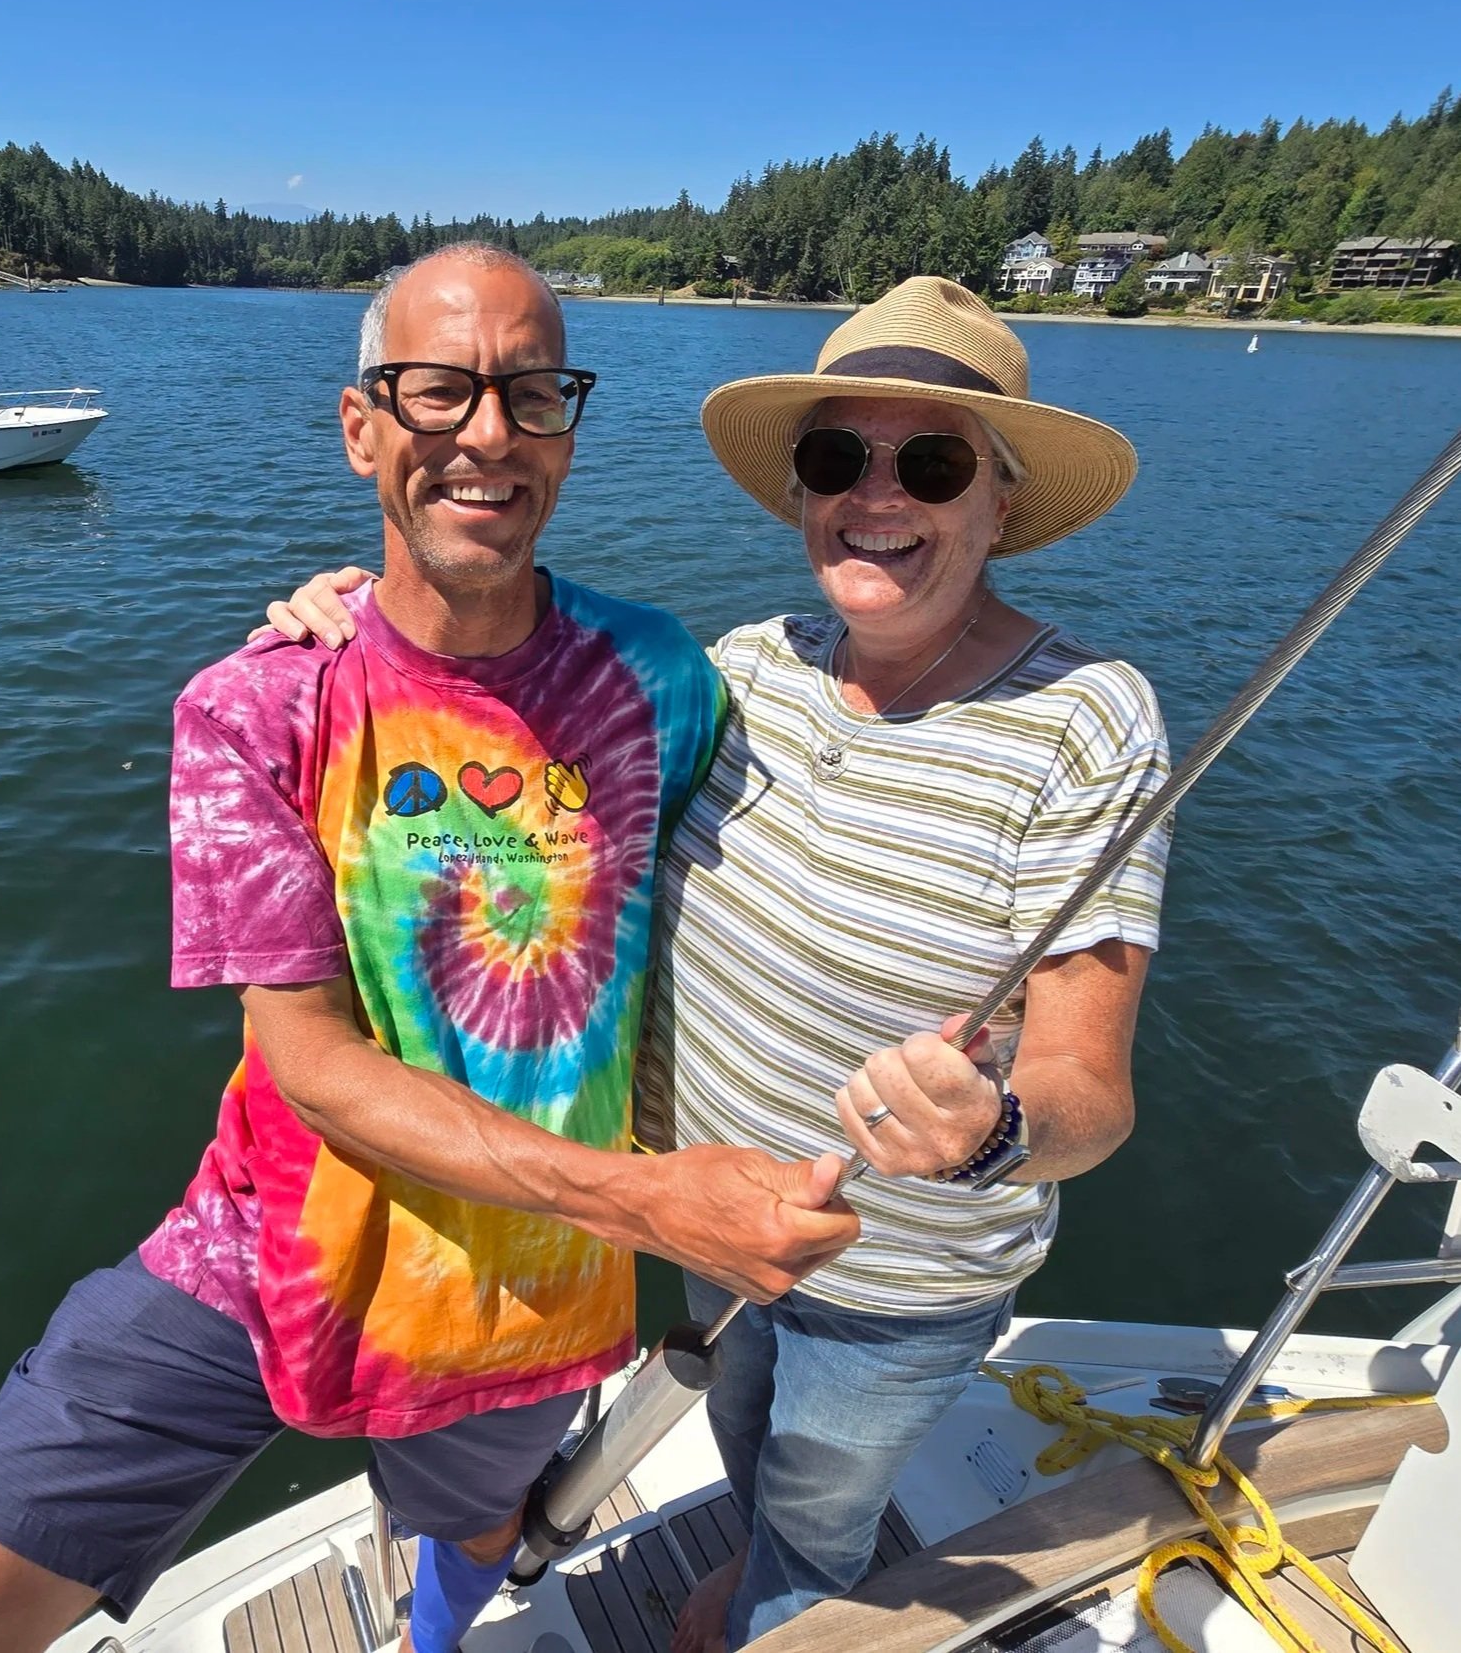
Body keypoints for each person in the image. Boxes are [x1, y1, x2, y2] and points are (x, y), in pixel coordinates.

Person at [0, 245, 859, 1653]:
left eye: (532, 394)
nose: (486, 432)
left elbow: (825, 789)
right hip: (251, 1257)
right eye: (437, 389)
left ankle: (432, 1633)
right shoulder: (258, 704)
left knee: (472, 1529)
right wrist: (646, 1200)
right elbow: (310, 1058)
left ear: (568, 431)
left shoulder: (661, 678)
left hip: (523, 1289)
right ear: (361, 427)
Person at [261, 276, 1169, 1653]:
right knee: (745, 1444)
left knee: (813, 1523)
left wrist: (992, 1133)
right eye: (833, 457)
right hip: (702, 1217)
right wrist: (355, 622)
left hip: (895, 1281)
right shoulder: (743, 668)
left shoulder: (1084, 721)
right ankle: (745, 1563)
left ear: (998, 500)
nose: (875, 495)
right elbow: (530, 712)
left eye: (927, 462)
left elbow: (1084, 1085)